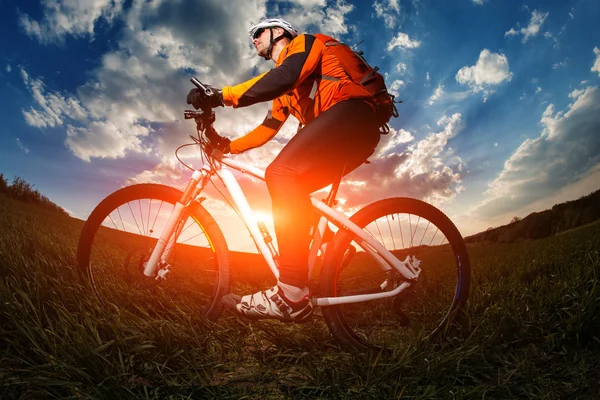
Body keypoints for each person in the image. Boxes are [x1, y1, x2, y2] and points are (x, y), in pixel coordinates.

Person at [187, 18, 381, 322]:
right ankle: (333, 248)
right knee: (293, 187)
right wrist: (227, 146)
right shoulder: (285, 93)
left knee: (279, 174)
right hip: (349, 131)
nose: (253, 39)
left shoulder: (304, 44)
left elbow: (285, 75)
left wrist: (221, 95)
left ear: (278, 32)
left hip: (352, 114)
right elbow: (267, 129)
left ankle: (291, 292)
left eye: (257, 32)